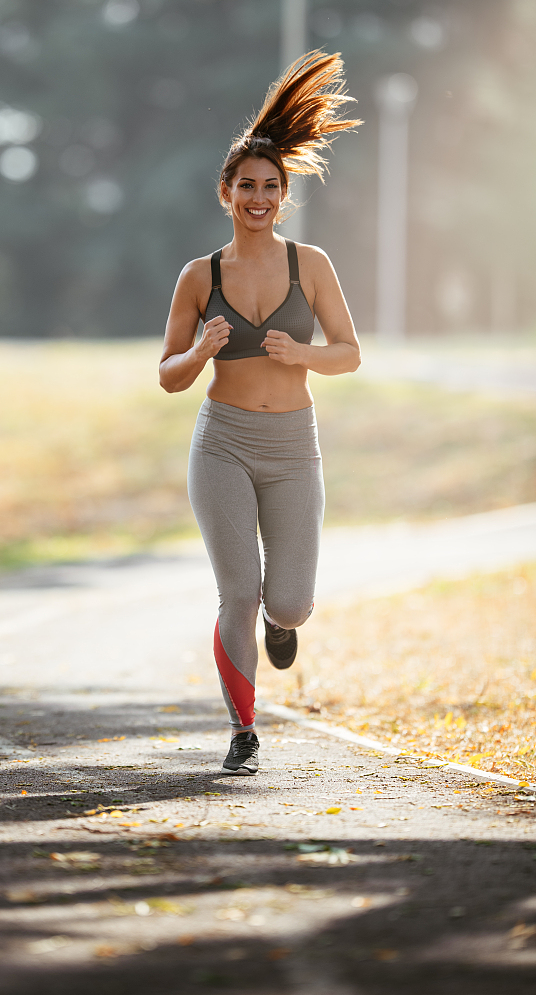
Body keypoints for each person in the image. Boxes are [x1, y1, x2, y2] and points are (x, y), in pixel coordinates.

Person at [159, 51, 362, 775]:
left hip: (292, 444)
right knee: (237, 590)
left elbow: (349, 353)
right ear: (226, 192)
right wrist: (203, 349)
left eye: (270, 187)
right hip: (223, 443)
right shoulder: (199, 276)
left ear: (284, 195)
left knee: (292, 603)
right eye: (246, 185)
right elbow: (168, 377)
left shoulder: (311, 265)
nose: (258, 197)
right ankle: (243, 729)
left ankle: (284, 625)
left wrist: (300, 355)